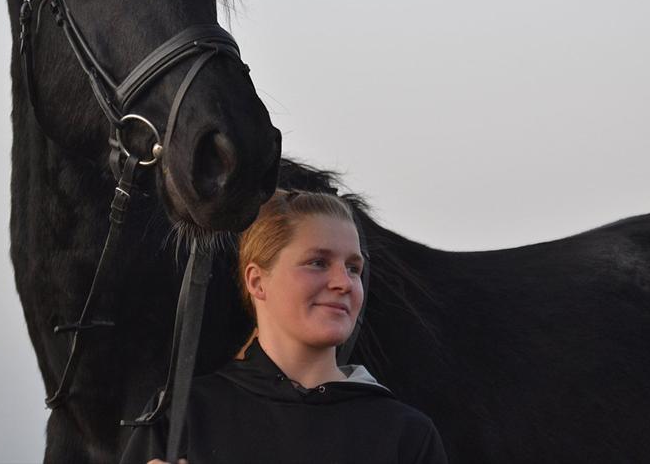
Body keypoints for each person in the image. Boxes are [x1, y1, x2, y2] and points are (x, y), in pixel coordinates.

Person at [122, 189, 448, 464]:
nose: (344, 283)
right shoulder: (184, 416)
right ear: (257, 281)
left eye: (353, 268)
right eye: (318, 262)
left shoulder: (405, 434)